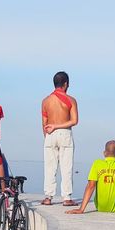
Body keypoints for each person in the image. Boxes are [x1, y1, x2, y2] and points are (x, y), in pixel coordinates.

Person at [66, 140, 115, 217]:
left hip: (102, 208)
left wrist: (81, 209)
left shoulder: (97, 163)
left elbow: (91, 186)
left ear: (104, 153)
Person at [41, 71, 79, 206]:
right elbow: (74, 121)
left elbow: (44, 123)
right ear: (66, 84)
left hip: (50, 134)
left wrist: (48, 134)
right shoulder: (71, 100)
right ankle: (67, 198)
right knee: (66, 166)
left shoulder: (45, 101)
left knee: (50, 167)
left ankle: (48, 197)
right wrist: (57, 126)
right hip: (64, 133)